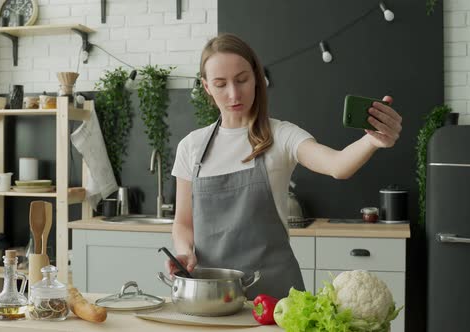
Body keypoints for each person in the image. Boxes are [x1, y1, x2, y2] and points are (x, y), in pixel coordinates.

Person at [168, 33, 402, 299]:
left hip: (277, 299)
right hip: (211, 297)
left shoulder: (281, 135)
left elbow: (338, 165)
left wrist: (372, 141)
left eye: (242, 79)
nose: (234, 93)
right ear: (207, 87)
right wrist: (184, 252)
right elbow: (184, 223)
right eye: (221, 84)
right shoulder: (191, 147)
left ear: (256, 77)